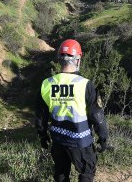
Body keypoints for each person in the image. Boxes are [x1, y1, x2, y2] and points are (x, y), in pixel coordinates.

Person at [36, 39, 108, 182]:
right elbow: (97, 116)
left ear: (60, 60)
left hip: (58, 141)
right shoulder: (85, 85)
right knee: (87, 172)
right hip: (80, 142)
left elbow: (41, 116)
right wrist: (103, 137)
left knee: (61, 173)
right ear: (78, 59)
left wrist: (42, 135)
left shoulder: (47, 84)